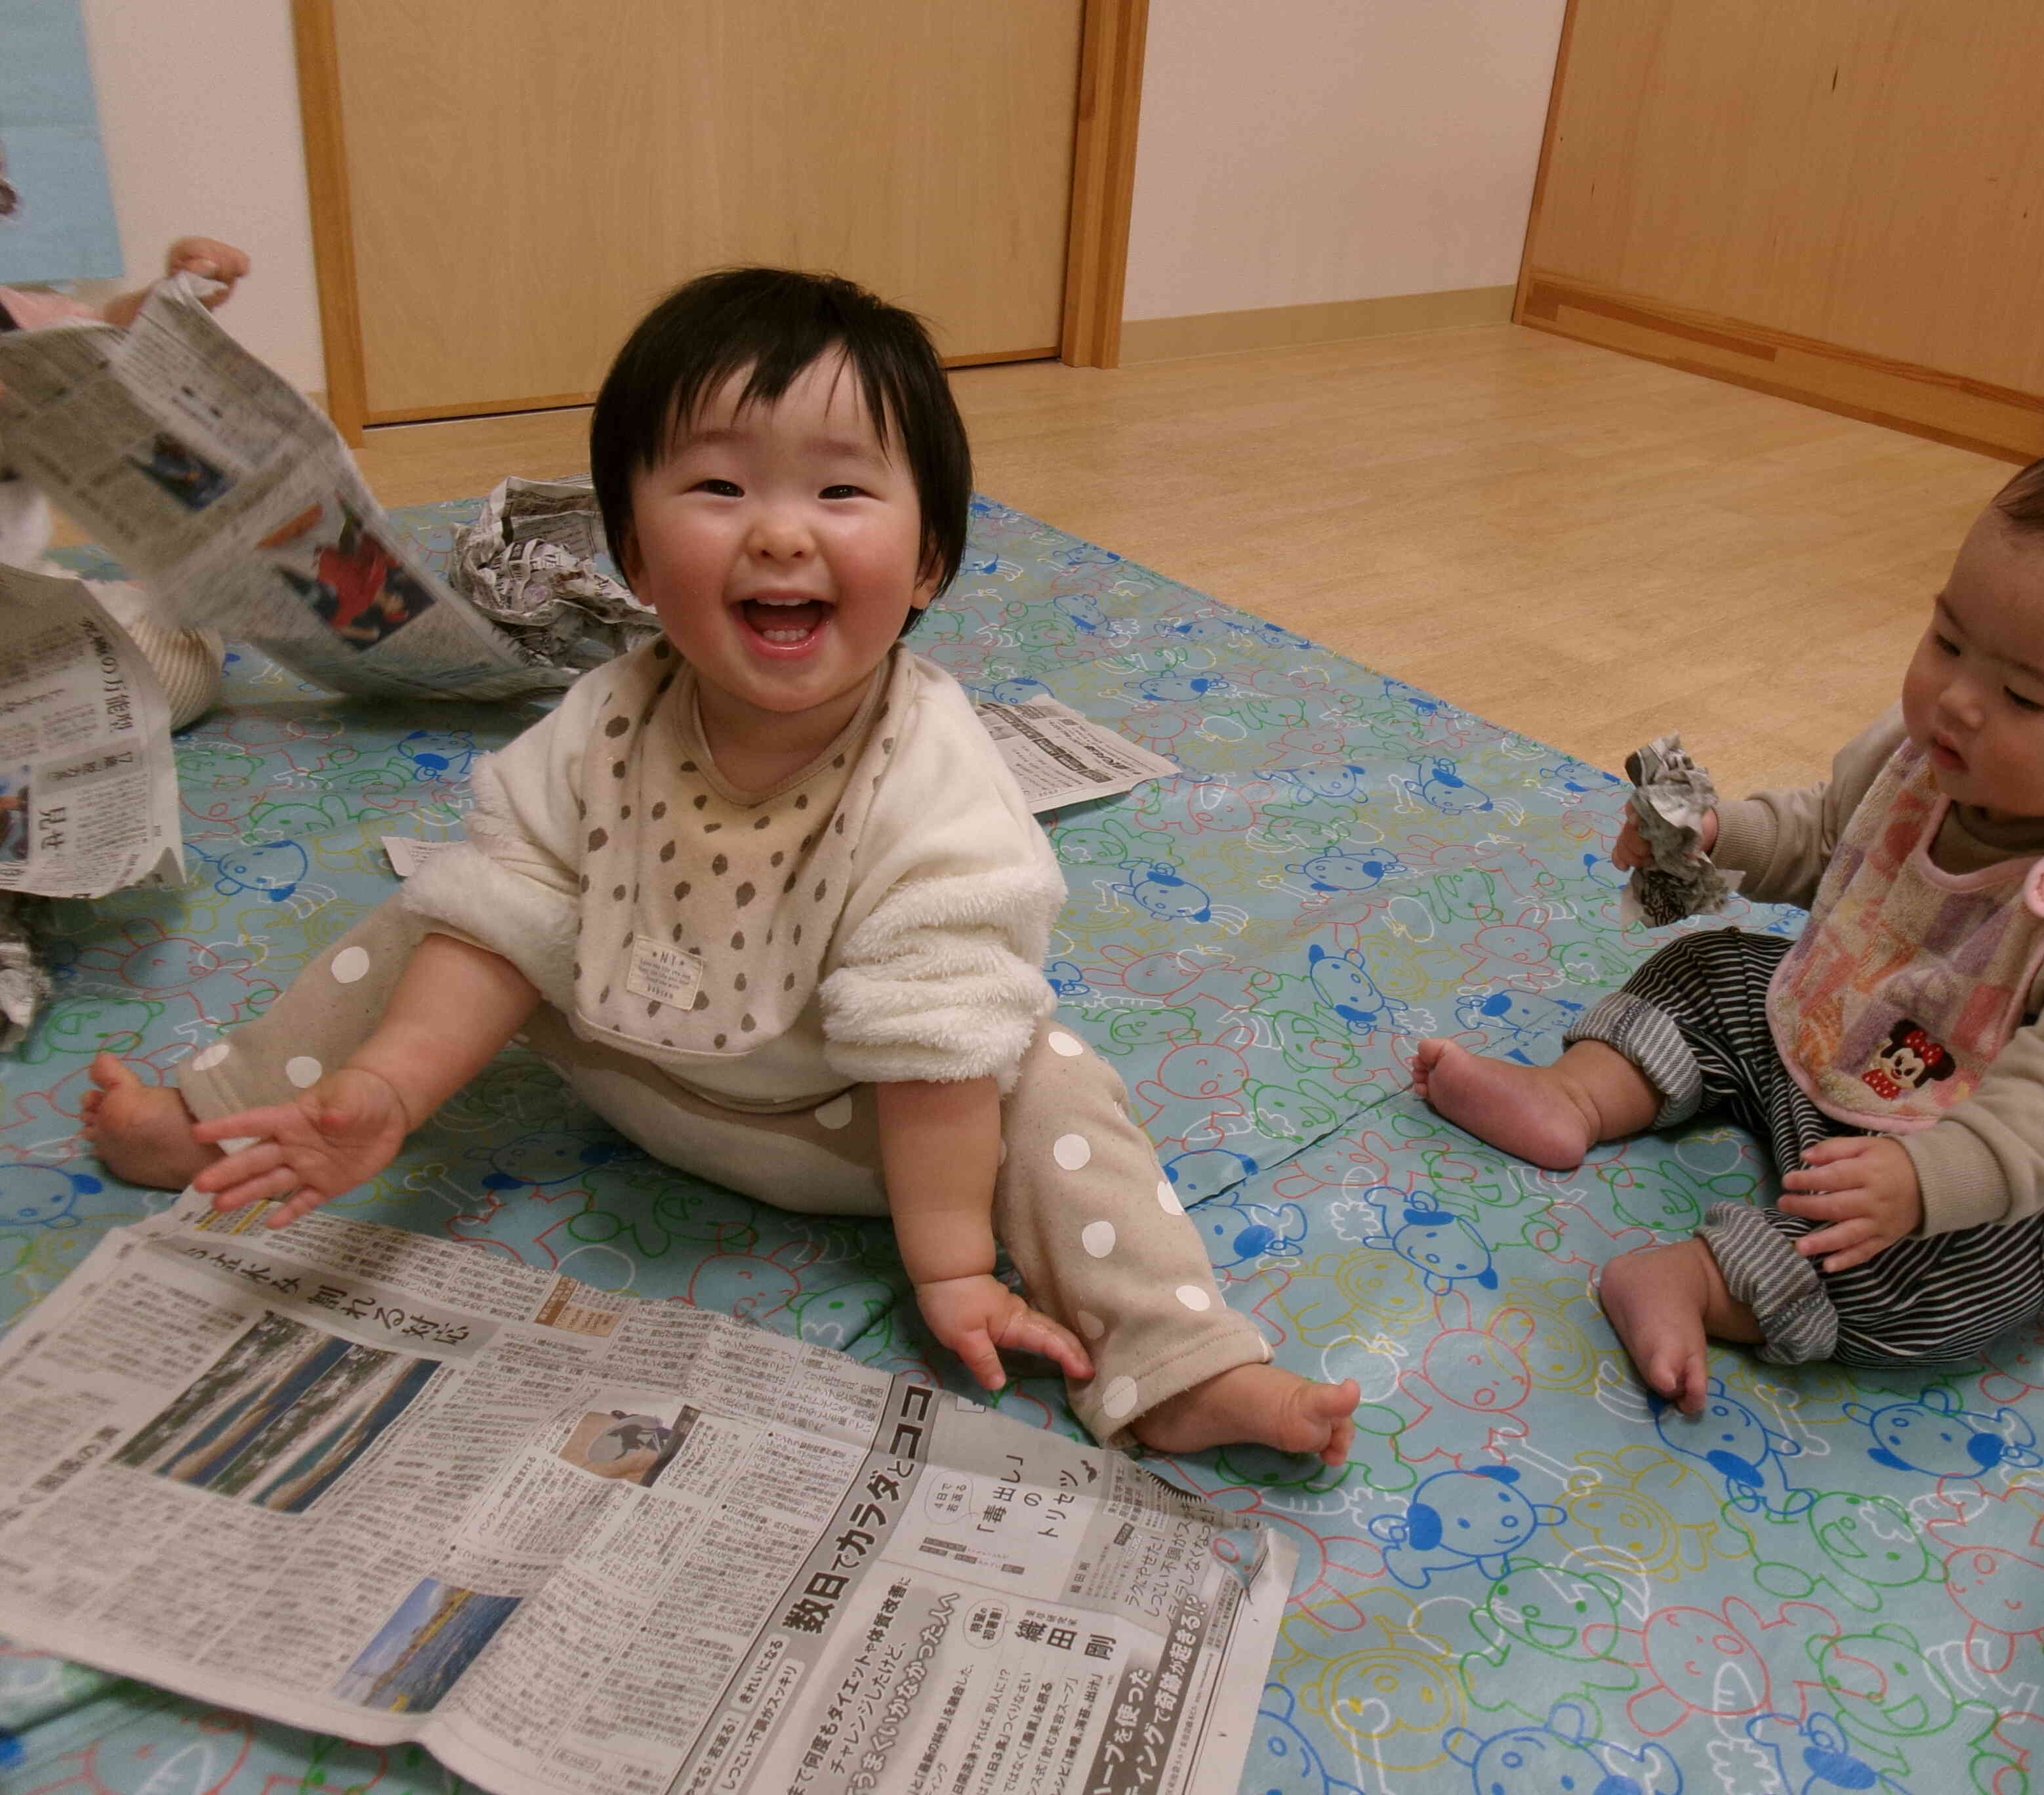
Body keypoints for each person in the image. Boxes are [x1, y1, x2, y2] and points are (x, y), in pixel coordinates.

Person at [83, 267, 1359, 1462]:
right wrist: (391, 1092)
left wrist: (952, 1270)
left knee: (1053, 1085)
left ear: (929, 562)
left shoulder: (937, 786)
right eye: (718, 489)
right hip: (631, 1062)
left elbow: (931, 1058)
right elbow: (507, 921)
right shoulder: (604, 720)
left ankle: (1177, 1366)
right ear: (632, 555)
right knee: (440, 921)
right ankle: (242, 1125)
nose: (781, 536)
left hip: (850, 1132)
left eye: (841, 492)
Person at [1411, 417, 2044, 1414]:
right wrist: (1721, 835)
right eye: (1948, 639)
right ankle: (1577, 1094)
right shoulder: (1922, 753)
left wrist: (1932, 1180)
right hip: (1852, 1030)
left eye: (2021, 694)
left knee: (1969, 1278)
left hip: (1996, 1140)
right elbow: (1833, 837)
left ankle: (1708, 1284)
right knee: (1713, 970)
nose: (1957, 701)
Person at [0, 221, 249, 728]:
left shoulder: (9, 312)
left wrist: (173, 294)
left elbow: (93, 332)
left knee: (176, 653)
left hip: (19, 593)